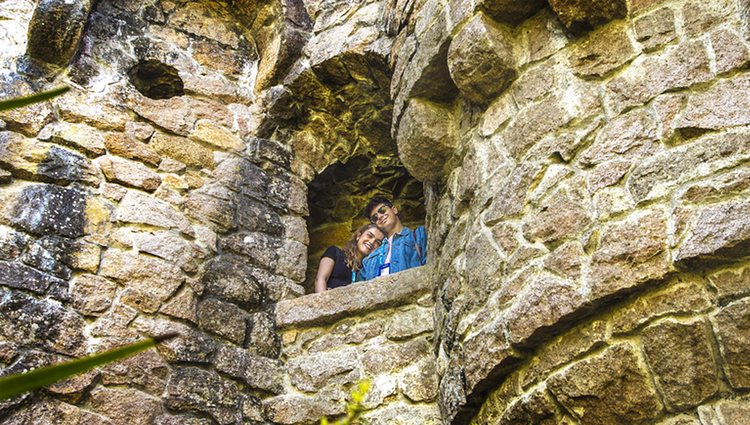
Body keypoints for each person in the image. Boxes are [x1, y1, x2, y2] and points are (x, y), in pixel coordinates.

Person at [357, 196, 427, 281]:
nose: (379, 216)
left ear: (394, 210)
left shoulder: (419, 235)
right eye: (374, 218)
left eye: (382, 210)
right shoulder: (369, 260)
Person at [314, 223, 386, 293]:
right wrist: (324, 301)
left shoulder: (367, 270)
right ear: (359, 236)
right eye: (369, 236)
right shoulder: (335, 252)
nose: (372, 242)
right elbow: (320, 279)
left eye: (377, 242)